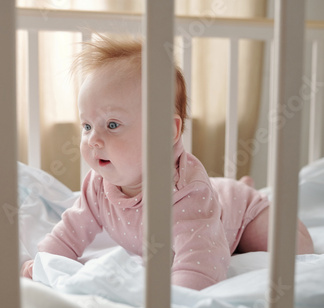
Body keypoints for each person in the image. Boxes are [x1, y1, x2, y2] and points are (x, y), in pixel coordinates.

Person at [21, 35, 314, 290]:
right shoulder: (98, 186)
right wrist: (44, 263)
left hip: (242, 212)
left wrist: (173, 304)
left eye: (111, 125)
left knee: (293, 248)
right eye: (87, 126)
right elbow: (69, 231)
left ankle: (257, 196)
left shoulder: (184, 194)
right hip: (217, 198)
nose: (93, 139)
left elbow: (201, 263)